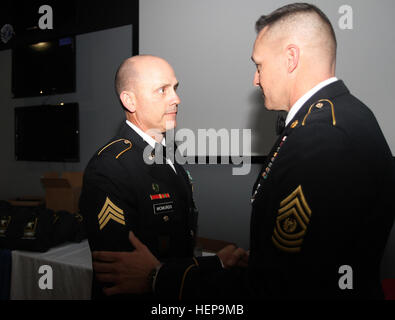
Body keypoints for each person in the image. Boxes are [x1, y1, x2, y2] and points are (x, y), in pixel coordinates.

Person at [90, 4, 395, 300]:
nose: (256, 78)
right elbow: (120, 271)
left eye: (259, 65)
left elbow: (282, 283)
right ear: (129, 100)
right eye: (162, 90)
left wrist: (161, 278)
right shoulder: (352, 115)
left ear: (291, 58)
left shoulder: (318, 136)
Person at [79, 55, 247, 299]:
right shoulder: (110, 167)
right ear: (130, 100)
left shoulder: (165, 155)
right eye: (162, 90)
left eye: (175, 88)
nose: (176, 99)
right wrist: (214, 265)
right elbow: (125, 274)